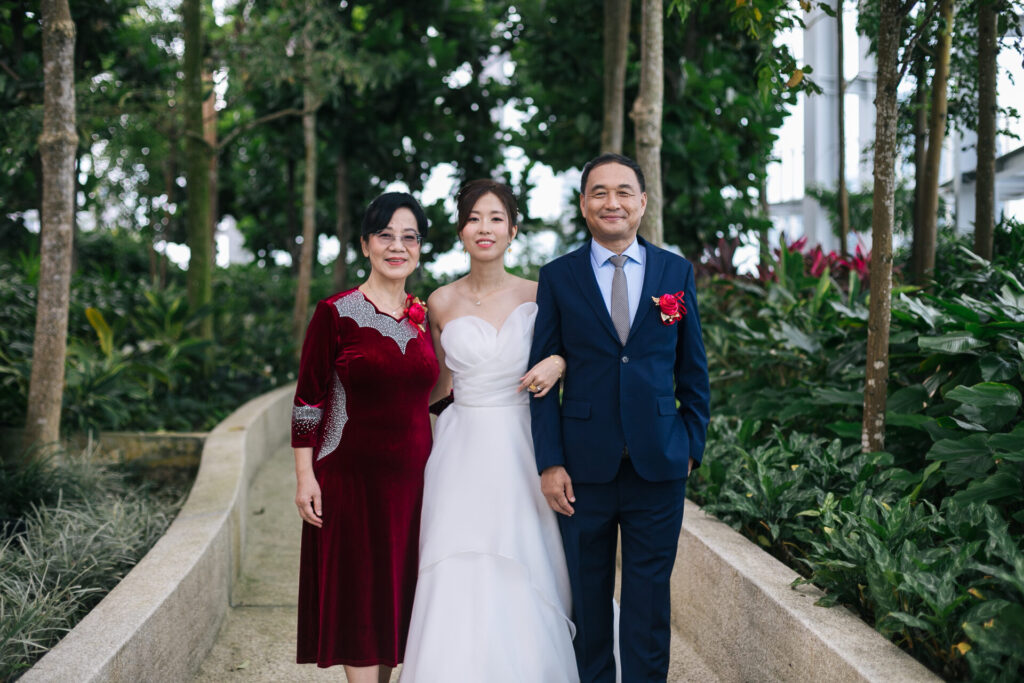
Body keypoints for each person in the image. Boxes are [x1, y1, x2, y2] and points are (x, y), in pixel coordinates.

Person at [529, 153, 711, 683]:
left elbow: (693, 371)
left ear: (643, 202)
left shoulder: (675, 272)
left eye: (624, 192)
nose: (613, 202)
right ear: (584, 204)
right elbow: (541, 378)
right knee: (587, 605)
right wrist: (550, 463)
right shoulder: (558, 277)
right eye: (600, 192)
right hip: (582, 470)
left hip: (659, 465)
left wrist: (690, 446)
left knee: (649, 606)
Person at [401, 179, 579, 682]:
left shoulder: (540, 293)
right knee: (454, 554)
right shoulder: (439, 301)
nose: (485, 228)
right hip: (459, 447)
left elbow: (580, 352)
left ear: (513, 230)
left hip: (524, 442)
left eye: (496, 218)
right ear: (461, 231)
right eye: (474, 218)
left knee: (526, 553)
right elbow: (435, 384)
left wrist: (560, 362)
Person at [291, 192, 438, 683]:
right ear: (365, 244)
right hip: (350, 480)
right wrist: (305, 477)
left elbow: (439, 395)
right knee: (359, 597)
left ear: (420, 247)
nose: (398, 246)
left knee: (398, 598)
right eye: (385, 235)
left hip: (414, 483)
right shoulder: (335, 312)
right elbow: (307, 402)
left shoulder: (424, 319)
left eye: (409, 237)